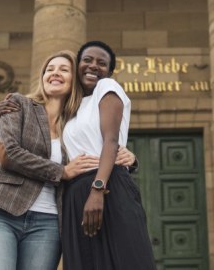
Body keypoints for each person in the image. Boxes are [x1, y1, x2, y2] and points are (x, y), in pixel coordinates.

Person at [0, 50, 136, 270]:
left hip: (48, 223)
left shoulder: (76, 124)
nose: (55, 73)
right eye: (50, 69)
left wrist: (130, 159)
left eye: (64, 69)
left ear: (74, 80)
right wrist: (62, 171)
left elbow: (102, 150)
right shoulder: (18, 105)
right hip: (1, 211)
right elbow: (7, 154)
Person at [58, 41, 157, 269]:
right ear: (77, 65)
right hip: (75, 196)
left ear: (109, 71)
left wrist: (97, 190)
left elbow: (110, 141)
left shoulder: (107, 87)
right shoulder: (69, 107)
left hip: (107, 187)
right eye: (87, 60)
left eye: (101, 63)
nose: (93, 66)